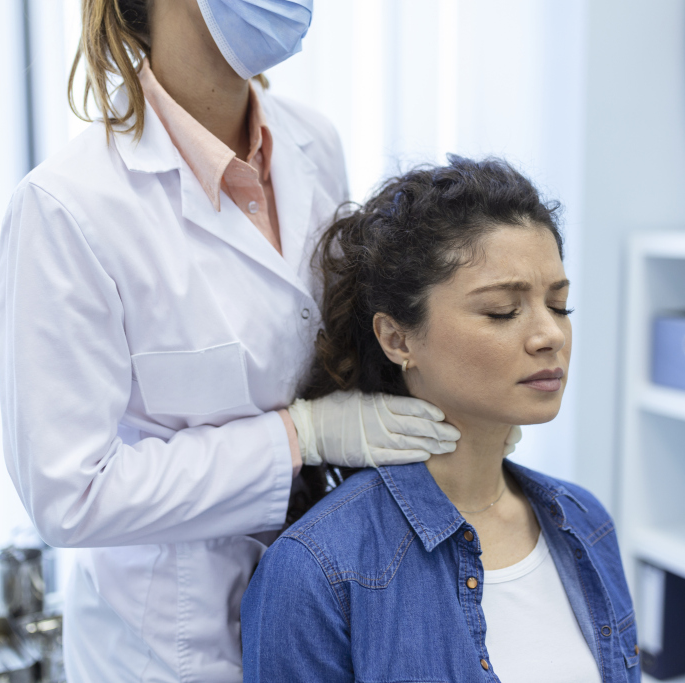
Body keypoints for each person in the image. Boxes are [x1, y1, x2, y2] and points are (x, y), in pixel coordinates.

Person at [0, 1, 459, 681]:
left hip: (321, 607)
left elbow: (336, 337)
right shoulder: (68, 208)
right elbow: (72, 494)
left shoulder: (313, 144)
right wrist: (300, 435)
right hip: (170, 649)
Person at [241, 157, 640, 682]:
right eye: (502, 310)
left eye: (559, 305)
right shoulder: (318, 570)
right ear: (398, 339)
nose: (551, 335)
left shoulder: (583, 521)